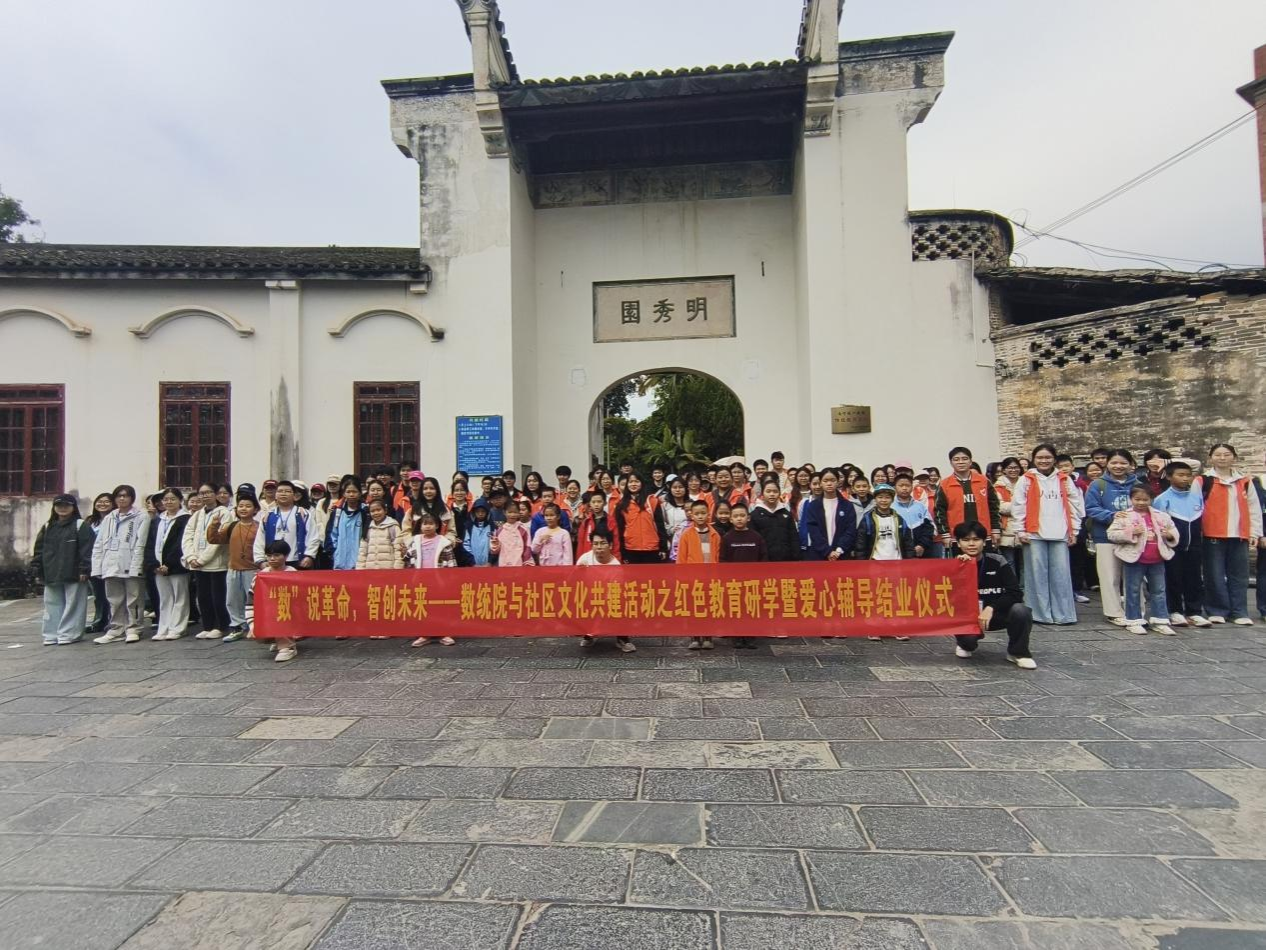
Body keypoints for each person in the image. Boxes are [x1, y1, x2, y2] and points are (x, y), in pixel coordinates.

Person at [1010, 444, 1084, 626]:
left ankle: (1063, 614)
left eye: (1048, 457)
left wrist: (1074, 530)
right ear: (1033, 460)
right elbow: (1018, 505)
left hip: (1060, 532)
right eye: (1040, 458)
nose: (1044, 461)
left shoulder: (1064, 479)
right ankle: (1040, 614)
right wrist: (1020, 530)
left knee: (1061, 574)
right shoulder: (1026, 479)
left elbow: (1075, 505)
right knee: (1036, 575)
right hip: (1034, 532)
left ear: (1054, 459)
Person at [951, 521, 1036, 670]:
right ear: (958, 543)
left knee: (1021, 610)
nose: (971, 544)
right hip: (968, 618)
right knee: (967, 646)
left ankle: (1018, 653)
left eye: (976, 539)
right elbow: (947, 597)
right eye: (966, 540)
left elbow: (1015, 592)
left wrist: (991, 607)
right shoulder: (952, 565)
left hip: (996, 614)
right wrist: (959, 569)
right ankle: (964, 643)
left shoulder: (997, 560)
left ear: (984, 542)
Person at [1200, 443, 1262, 625]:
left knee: (1239, 575)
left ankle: (1239, 611)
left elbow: (1254, 508)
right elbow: (1196, 506)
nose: (1222, 458)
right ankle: (1217, 609)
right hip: (1212, 533)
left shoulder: (1245, 481)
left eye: (1226, 454)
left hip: (1239, 534)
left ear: (1234, 457)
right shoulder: (1203, 481)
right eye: (1218, 454)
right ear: (1210, 458)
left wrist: (1254, 532)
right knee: (1214, 574)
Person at [1108, 484, 1180, 636]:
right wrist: (1130, 532)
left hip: (1157, 558)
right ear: (1131, 499)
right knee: (1132, 590)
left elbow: (1173, 530)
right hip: (1134, 559)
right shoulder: (1124, 515)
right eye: (1137, 499)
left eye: (1145, 499)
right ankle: (1133, 620)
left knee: (1159, 590)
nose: (1141, 502)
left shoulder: (1161, 515)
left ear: (1151, 499)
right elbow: (1112, 534)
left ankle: (1160, 620)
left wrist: (1169, 535)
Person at [1084, 449, 1140, 625]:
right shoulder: (1098, 485)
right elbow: (1091, 508)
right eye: (1114, 462)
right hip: (1105, 536)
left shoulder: (1137, 484)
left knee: (1134, 577)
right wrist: (1111, 515)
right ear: (1107, 464)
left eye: (1123, 463)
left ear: (1131, 464)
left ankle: (1136, 611)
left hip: (1133, 538)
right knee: (1110, 576)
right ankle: (1113, 612)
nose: (1118, 466)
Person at [1153, 460, 1211, 627]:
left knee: (1194, 579)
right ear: (1169, 477)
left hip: (1194, 546)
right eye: (1180, 475)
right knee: (1173, 578)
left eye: (1188, 475)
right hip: (1173, 547)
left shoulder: (1196, 497)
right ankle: (1175, 611)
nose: (1185, 478)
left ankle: (1194, 611)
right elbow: (1159, 525)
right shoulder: (1162, 499)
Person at [32, 493, 93, 646]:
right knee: (51, 604)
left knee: (74, 604)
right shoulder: (48, 527)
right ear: (54, 508)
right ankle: (51, 635)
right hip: (51, 571)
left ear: (73, 507)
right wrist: (36, 568)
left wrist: (84, 569)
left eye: (67, 505)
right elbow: (39, 550)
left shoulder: (80, 525)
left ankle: (69, 634)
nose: (62, 508)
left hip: (74, 572)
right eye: (59, 505)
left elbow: (87, 549)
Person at [92, 485, 149, 644]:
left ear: (132, 498)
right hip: (110, 564)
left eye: (125, 496)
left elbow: (140, 543)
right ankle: (116, 629)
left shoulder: (141, 516)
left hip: (130, 563)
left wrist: (136, 566)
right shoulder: (109, 517)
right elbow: (99, 543)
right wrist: (97, 567)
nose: (122, 499)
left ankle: (134, 628)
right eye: (119, 496)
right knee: (114, 600)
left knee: (134, 599)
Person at [207, 493, 260, 642]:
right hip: (233, 568)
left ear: (255, 509)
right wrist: (214, 524)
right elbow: (214, 539)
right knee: (232, 600)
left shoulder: (259, 527)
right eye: (240, 506)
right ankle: (237, 626)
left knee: (253, 600)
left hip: (252, 569)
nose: (243, 509)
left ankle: (255, 627)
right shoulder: (231, 526)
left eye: (248, 506)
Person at [183, 483, 231, 640]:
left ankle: (220, 626)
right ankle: (207, 625)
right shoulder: (197, 514)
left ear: (216, 494)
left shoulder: (224, 513)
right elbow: (187, 536)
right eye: (202, 493)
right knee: (203, 597)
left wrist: (203, 559)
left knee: (218, 597)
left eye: (209, 492)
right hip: (197, 563)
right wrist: (191, 557)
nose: (205, 495)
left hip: (216, 564)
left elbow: (220, 539)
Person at [142, 488, 190, 641]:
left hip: (177, 566)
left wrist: (169, 563)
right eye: (166, 499)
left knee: (180, 597)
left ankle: (178, 628)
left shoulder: (185, 519)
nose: (169, 502)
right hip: (158, 567)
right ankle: (163, 628)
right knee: (164, 598)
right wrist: (154, 564)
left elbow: (180, 543)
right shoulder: (158, 520)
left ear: (180, 500)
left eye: (172, 499)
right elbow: (150, 543)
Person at [719, 502, 767, 650]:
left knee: (751, 608)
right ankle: (737, 636)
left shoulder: (756, 537)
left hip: (753, 581)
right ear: (731, 519)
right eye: (736, 516)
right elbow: (723, 559)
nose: (739, 519)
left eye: (742, 515)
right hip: (734, 581)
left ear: (748, 518)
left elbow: (763, 557)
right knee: (736, 608)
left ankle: (750, 636)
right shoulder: (727, 538)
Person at [577, 530, 635, 652]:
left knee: (621, 602)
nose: (599, 547)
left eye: (603, 543)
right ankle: (588, 635)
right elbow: (574, 583)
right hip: (588, 595)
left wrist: (603, 601)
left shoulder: (616, 566)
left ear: (610, 545)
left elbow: (616, 591)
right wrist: (578, 572)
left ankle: (622, 638)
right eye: (595, 543)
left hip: (608, 598)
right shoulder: (585, 558)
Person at [935, 447, 1001, 554]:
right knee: (961, 563)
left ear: (970, 461)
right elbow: (939, 511)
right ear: (951, 463)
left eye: (964, 459)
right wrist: (945, 534)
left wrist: (996, 529)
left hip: (983, 534)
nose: (960, 462)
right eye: (956, 459)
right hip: (957, 536)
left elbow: (994, 507)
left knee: (985, 562)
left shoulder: (984, 481)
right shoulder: (944, 484)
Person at [406, 512, 457, 647]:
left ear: (437, 526)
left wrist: (450, 579)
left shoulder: (444, 542)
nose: (427, 527)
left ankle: (444, 633)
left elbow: (451, 561)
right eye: (425, 524)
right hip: (420, 581)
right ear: (420, 526)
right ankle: (424, 634)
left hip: (439, 581)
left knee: (441, 607)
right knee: (423, 607)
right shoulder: (415, 542)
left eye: (431, 524)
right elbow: (409, 560)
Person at [255, 481, 320, 569]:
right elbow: (260, 539)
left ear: (294, 496)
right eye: (280, 491)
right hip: (274, 562)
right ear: (275, 495)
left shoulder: (304, 514)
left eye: (287, 491)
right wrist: (260, 560)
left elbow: (313, 536)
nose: (283, 494)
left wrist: (309, 555)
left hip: (298, 561)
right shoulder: (268, 515)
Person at [802, 468, 857, 562]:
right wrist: (827, 551)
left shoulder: (847, 505)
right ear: (820, 483)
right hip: (819, 554)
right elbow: (814, 531)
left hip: (841, 554)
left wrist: (839, 550)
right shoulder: (813, 506)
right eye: (825, 481)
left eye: (832, 480)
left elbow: (850, 530)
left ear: (838, 482)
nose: (829, 483)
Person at [257, 540, 300, 662]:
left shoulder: (292, 573)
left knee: (280, 613)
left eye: (276, 555)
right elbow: (253, 596)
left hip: (288, 609)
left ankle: (288, 647)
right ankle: (277, 640)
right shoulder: (262, 574)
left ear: (285, 556)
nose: (272, 559)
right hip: (268, 610)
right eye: (269, 555)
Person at [615, 474, 667, 564]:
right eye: (631, 482)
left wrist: (663, 548)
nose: (633, 484)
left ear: (642, 483)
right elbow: (620, 529)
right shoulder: (621, 505)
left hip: (652, 548)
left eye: (636, 481)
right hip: (631, 548)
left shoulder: (652, 501)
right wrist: (622, 551)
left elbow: (660, 525)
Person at [84, 492, 115, 634]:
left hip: (109, 560)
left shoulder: (115, 519)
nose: (102, 504)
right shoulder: (90, 521)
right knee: (99, 594)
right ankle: (99, 621)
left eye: (107, 501)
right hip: (93, 561)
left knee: (112, 594)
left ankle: (113, 621)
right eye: (99, 501)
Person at [750, 479, 801, 563]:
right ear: (762, 494)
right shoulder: (754, 515)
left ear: (779, 493)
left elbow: (793, 538)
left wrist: (796, 557)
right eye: (768, 491)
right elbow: (753, 541)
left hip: (786, 560)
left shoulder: (786, 514)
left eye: (775, 491)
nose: (772, 494)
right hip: (763, 561)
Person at [326, 476, 369, 571]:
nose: (351, 494)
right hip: (339, 561)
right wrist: (334, 553)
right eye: (348, 492)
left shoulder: (365, 512)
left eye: (354, 491)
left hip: (360, 561)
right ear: (344, 493)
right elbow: (331, 534)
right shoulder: (337, 512)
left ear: (360, 493)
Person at [993, 457, 1023, 579]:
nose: (1013, 470)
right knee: (1009, 562)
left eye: (1016, 467)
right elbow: (999, 507)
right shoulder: (997, 487)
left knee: (1025, 563)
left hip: (1024, 528)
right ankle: (1013, 587)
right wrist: (1022, 507)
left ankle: (1026, 588)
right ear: (1004, 470)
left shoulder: (1026, 483)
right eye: (1010, 468)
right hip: (1006, 530)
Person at [892, 473, 935, 557]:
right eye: (901, 485)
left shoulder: (920, 506)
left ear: (912, 487)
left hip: (921, 551)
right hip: (898, 552)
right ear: (895, 487)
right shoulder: (891, 507)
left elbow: (929, 528)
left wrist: (922, 545)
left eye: (907, 485)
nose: (904, 488)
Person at [357, 498, 404, 570]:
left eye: (378, 510)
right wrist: (360, 569)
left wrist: (397, 569)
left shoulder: (393, 526)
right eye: (372, 511)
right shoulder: (368, 528)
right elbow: (362, 551)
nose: (376, 513)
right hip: (370, 569)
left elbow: (398, 550)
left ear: (385, 510)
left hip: (389, 569)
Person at [491, 502, 533, 568]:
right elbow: (495, 551)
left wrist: (527, 563)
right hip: (503, 565)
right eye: (510, 512)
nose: (512, 515)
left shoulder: (524, 530)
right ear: (504, 512)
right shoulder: (499, 530)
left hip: (519, 565)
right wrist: (495, 545)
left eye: (515, 512)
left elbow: (527, 547)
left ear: (519, 513)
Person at [463, 499, 496, 567]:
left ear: (487, 512)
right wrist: (472, 563)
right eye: (478, 511)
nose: (480, 514)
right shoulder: (469, 527)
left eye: (483, 511)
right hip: (473, 565)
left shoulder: (492, 527)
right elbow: (466, 545)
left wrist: (490, 562)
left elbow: (495, 545)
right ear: (474, 512)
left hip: (488, 565)